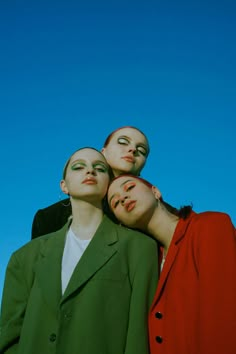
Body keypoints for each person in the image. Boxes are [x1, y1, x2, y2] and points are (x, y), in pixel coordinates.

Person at [0, 148, 159, 354]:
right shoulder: (24, 257)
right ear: (64, 185)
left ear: (108, 185)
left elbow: (139, 335)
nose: (90, 171)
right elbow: (9, 336)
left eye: (99, 168)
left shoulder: (139, 248)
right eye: (78, 167)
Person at [107, 174, 236, 354]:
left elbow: (223, 317)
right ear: (121, 222)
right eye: (115, 203)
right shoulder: (151, 262)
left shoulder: (210, 226)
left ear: (155, 191)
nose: (122, 198)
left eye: (129, 187)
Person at [31, 126, 150, 238]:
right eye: (123, 142)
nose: (133, 149)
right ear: (103, 152)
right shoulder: (49, 218)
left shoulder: (149, 209)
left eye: (142, 150)